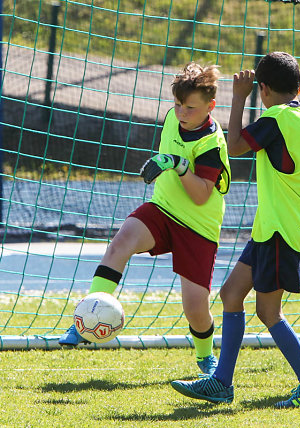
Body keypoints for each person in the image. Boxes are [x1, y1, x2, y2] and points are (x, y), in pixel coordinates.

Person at [170, 52, 300, 409]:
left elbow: (235, 145)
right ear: (299, 87)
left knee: (269, 313)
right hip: (272, 227)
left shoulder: (276, 118)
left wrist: (239, 97)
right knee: (230, 294)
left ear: (263, 90)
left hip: (281, 231)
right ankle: (221, 384)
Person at [59, 62, 231, 376]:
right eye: (178, 104)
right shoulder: (172, 117)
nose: (181, 113)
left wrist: (177, 165)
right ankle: (84, 323)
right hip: (162, 210)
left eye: (190, 108)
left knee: (195, 308)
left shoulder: (210, 144)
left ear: (211, 106)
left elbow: (200, 196)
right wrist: (169, 163)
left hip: (198, 226)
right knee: (119, 244)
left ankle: (206, 357)